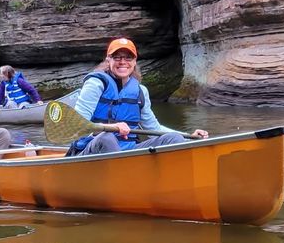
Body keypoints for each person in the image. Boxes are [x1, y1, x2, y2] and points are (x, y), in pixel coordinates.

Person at [68, 38, 208, 156]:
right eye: (117, 57)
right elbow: (78, 125)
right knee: (107, 138)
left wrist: (189, 136)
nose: (123, 62)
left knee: (174, 138)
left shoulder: (141, 91)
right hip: (92, 150)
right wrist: (110, 127)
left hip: (128, 151)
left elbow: (154, 129)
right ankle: (125, 184)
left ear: (134, 61)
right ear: (108, 60)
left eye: (128, 57)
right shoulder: (95, 84)